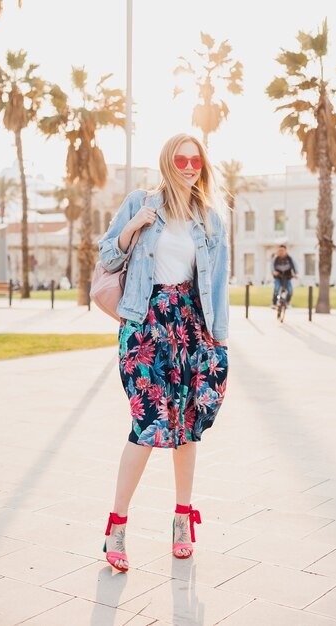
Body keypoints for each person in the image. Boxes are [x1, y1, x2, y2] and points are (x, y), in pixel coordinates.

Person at [98, 133, 229, 572]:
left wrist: (220, 343)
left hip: (192, 326)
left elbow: (217, 286)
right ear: (167, 161)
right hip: (146, 323)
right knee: (147, 424)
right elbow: (106, 255)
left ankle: (181, 519)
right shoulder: (140, 201)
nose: (189, 166)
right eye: (181, 158)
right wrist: (133, 228)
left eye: (196, 160)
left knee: (188, 425)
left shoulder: (210, 218)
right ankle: (117, 526)